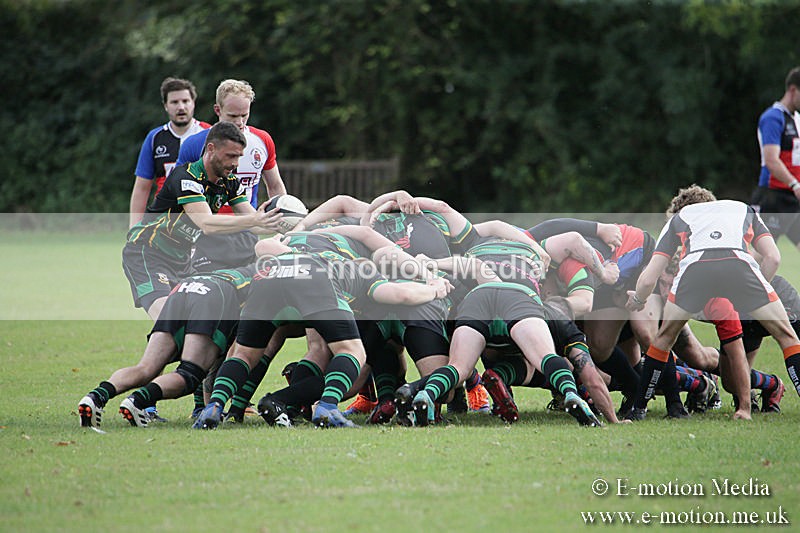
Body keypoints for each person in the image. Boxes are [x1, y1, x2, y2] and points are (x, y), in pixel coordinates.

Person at [625, 185, 800, 421]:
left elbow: (648, 278)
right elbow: (773, 257)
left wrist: (638, 299)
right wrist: (749, 295)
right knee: (787, 337)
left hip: (696, 270)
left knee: (663, 340)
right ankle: (745, 409)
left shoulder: (680, 219)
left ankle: (638, 410)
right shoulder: (742, 208)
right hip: (740, 268)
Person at [122, 121, 281, 322]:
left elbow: (255, 222)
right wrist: (254, 220)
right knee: (169, 322)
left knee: (199, 325)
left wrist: (285, 223)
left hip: (182, 260)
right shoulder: (186, 177)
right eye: (230, 156)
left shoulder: (230, 182)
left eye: (239, 156)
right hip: (148, 253)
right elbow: (206, 224)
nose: (236, 164)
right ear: (211, 149)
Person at [78, 265, 254, 429]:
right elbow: (230, 359)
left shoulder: (250, 268)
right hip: (215, 292)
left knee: (146, 367)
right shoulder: (266, 282)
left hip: (184, 287)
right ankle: (137, 401)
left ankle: (96, 397)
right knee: (190, 373)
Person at [177, 79, 287, 272]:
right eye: (233, 115)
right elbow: (178, 192)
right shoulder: (195, 144)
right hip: (206, 235)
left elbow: (275, 186)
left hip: (246, 232)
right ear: (217, 110)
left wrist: (285, 218)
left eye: (245, 115)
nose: (239, 122)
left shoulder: (262, 141)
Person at [129, 77, 210, 228]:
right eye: (174, 102)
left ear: (193, 103)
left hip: (199, 216)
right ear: (165, 105)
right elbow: (142, 187)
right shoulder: (155, 138)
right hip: (164, 217)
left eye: (185, 101)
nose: (181, 107)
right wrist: (134, 226)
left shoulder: (209, 134)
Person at [753, 66, 800, 250]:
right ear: (793, 90)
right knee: (761, 256)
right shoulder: (773, 117)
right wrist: (795, 184)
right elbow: (772, 160)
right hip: (772, 197)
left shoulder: (796, 119)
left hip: (790, 199)